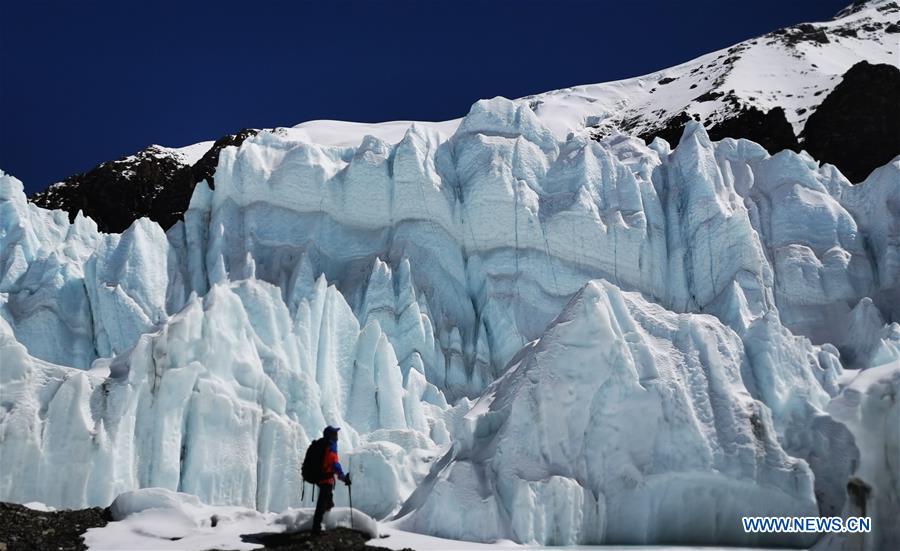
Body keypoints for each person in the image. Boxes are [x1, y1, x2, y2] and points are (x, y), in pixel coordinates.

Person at [312, 425, 350, 534]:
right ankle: (316, 528)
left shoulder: (325, 446)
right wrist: (343, 477)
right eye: (335, 434)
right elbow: (334, 464)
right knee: (322, 504)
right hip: (326, 479)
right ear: (331, 435)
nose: (337, 436)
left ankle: (324, 523)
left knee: (328, 502)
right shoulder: (331, 447)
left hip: (321, 478)